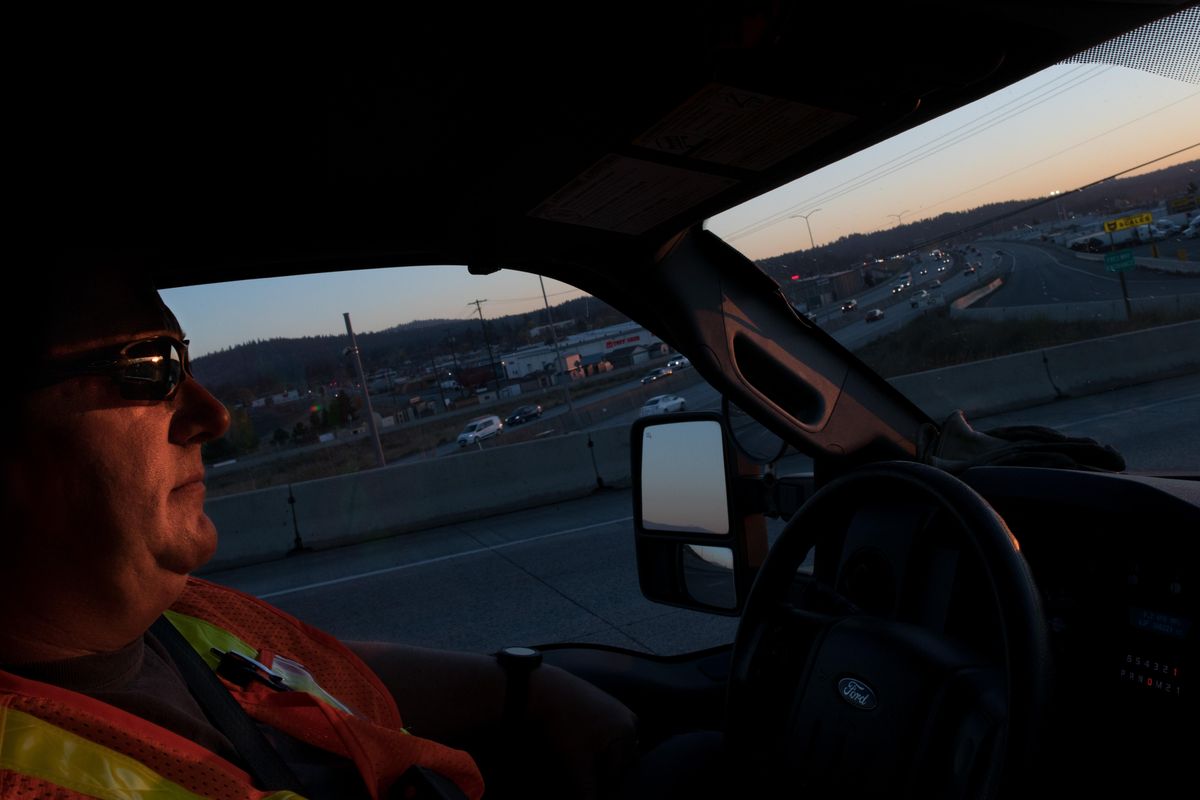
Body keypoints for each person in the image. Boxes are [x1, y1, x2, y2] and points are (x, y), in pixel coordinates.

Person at [0, 262, 639, 800]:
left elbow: (328, 680)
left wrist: (530, 687)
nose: (213, 415)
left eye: (185, 359)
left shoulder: (186, 616)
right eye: (148, 366)